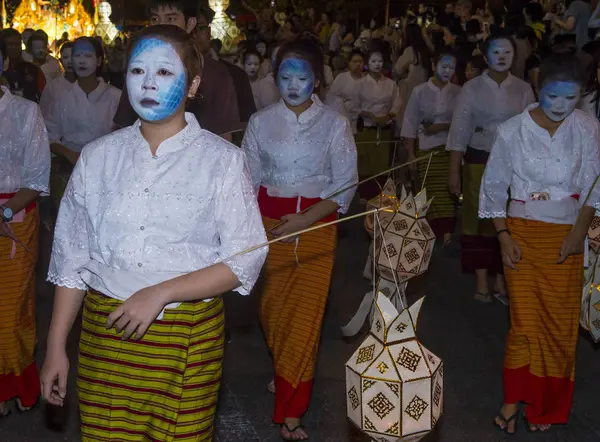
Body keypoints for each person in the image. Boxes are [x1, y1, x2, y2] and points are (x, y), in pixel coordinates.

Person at [41, 25, 267, 441]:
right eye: (137, 70)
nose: (147, 82)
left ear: (193, 83)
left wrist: (161, 292)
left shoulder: (222, 161)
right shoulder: (97, 158)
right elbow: (72, 260)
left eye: (164, 72)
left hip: (186, 341)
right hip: (106, 340)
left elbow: (245, 257)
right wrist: (56, 346)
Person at [242, 39, 357, 441]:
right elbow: (246, 181)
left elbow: (345, 186)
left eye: (302, 78)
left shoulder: (335, 124)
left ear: (318, 81)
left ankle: (292, 408)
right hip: (269, 227)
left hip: (316, 228)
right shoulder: (260, 123)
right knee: (273, 312)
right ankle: (284, 367)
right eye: (285, 78)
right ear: (276, 80)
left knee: (305, 320)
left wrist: (306, 217)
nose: (293, 85)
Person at [480, 53, 600, 434]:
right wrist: (503, 237)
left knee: (558, 326)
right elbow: (494, 187)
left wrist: (578, 233)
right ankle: (513, 400)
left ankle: (545, 405)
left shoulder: (588, 127)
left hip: (567, 236)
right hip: (522, 236)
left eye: (571, 97)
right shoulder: (511, 130)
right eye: (553, 96)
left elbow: (594, 186)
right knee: (524, 325)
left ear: (581, 95)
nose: (562, 106)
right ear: (537, 86)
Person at [447, 34, 535, 305]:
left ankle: (502, 278)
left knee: (508, 219)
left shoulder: (523, 90)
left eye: (507, 52)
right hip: (478, 160)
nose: (501, 57)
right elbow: (460, 131)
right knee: (478, 218)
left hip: (513, 165)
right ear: (486, 57)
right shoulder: (471, 89)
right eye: (496, 52)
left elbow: (531, 131)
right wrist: (454, 170)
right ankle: (482, 279)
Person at [0, 43, 51, 418]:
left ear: (3, 62)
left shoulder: (24, 112)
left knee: (11, 310)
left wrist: (4, 210)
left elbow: (36, 177)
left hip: (15, 217)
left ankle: (20, 381)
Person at [113, 0, 240, 138]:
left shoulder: (217, 75)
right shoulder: (139, 72)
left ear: (190, 24)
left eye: (170, 18)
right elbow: (123, 131)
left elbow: (225, 138)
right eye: (155, 19)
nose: (161, 25)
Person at [44, 37, 121, 209]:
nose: (81, 61)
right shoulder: (62, 97)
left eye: (87, 55)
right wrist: (69, 154)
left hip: (106, 171)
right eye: (77, 56)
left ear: (99, 60)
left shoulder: (115, 96)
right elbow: (49, 135)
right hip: (69, 169)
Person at [402, 49, 461, 245]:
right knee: (428, 189)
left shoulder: (458, 92)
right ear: (435, 66)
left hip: (449, 148)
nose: (447, 70)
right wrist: (410, 153)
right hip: (426, 148)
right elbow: (410, 122)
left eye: (451, 67)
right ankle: (430, 229)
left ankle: (447, 231)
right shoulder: (420, 91)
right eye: (444, 66)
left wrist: (443, 126)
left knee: (447, 190)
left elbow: (463, 122)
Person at [356, 46, 402, 200]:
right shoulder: (360, 83)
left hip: (384, 128)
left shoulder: (391, 84)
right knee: (365, 164)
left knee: (382, 165)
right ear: (368, 63)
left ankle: (381, 198)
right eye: (373, 61)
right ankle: (365, 197)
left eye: (380, 61)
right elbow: (353, 106)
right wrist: (369, 115)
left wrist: (388, 116)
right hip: (366, 128)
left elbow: (397, 104)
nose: (377, 64)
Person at [1, 28, 46, 103]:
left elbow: (44, 99)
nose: (14, 48)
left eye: (17, 44)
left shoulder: (34, 70)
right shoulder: (1, 72)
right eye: (10, 44)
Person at [327, 49, 365, 133]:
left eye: (360, 62)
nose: (358, 64)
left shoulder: (368, 80)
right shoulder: (342, 78)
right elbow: (331, 99)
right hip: (344, 118)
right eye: (355, 62)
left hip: (362, 121)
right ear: (349, 63)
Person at [39, 41, 76, 119]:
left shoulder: (87, 84)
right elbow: (44, 112)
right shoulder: (52, 86)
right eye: (65, 57)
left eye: (73, 57)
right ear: (60, 60)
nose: (69, 61)